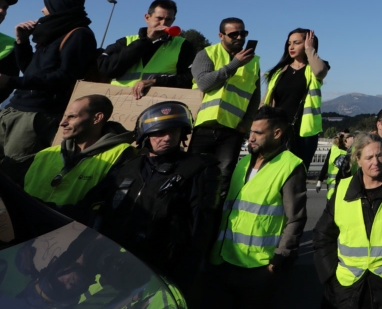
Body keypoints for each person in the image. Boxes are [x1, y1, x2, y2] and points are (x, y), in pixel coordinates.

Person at [93, 101, 221, 296]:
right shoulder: (129, 166)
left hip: (156, 272)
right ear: (145, 135)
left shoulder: (198, 169)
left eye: (174, 131)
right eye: (160, 132)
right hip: (106, 263)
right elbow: (93, 205)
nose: (168, 138)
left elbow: (199, 233)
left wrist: (179, 285)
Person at [0, 0, 97, 175]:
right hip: (13, 109)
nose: (42, 10)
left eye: (47, 6)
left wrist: (10, 82)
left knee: (12, 173)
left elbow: (64, 77)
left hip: (37, 114)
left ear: (59, 7)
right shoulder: (50, 34)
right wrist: (22, 42)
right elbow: (30, 70)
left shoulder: (79, 35)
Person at [206, 106, 306, 309]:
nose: (251, 137)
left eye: (258, 133)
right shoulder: (243, 163)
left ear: (277, 133)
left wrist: (279, 259)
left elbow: (295, 218)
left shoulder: (290, 166)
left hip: (258, 268)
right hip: (225, 260)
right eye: (251, 131)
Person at [313, 132, 382, 309]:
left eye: (379, 155)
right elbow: (322, 235)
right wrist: (330, 277)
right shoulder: (343, 189)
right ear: (357, 159)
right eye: (369, 157)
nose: (376, 162)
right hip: (346, 286)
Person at [23, 95, 135, 222]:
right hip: (26, 228)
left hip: (71, 233)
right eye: (65, 116)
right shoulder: (44, 154)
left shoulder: (122, 154)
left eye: (72, 116)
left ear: (97, 118)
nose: (62, 123)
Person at [189, 17, 260, 187]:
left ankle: (216, 213)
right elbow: (204, 83)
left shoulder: (254, 62)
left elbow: (254, 97)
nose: (239, 37)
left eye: (243, 33)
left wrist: (246, 124)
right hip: (202, 128)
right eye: (233, 34)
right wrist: (235, 64)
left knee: (222, 179)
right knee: (193, 174)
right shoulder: (206, 54)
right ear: (221, 35)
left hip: (232, 130)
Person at [98, 0, 197, 98]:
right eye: (159, 18)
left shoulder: (183, 45)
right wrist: (147, 40)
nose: (163, 23)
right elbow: (107, 69)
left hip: (158, 104)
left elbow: (189, 78)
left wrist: (156, 82)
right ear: (147, 17)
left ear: (173, 20)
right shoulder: (126, 41)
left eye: (168, 20)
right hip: (119, 101)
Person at [263, 28, 330, 168]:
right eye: (289, 43)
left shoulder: (312, 68)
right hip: (278, 130)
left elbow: (320, 71)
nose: (291, 47)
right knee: (275, 172)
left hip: (305, 133)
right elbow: (265, 101)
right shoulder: (279, 71)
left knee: (298, 174)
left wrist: (309, 49)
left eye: (297, 42)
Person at [321, 130, 353, 199]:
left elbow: (326, 164)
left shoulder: (335, 149)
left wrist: (320, 179)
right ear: (346, 141)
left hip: (333, 188)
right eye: (351, 138)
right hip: (337, 189)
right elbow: (345, 172)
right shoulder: (342, 154)